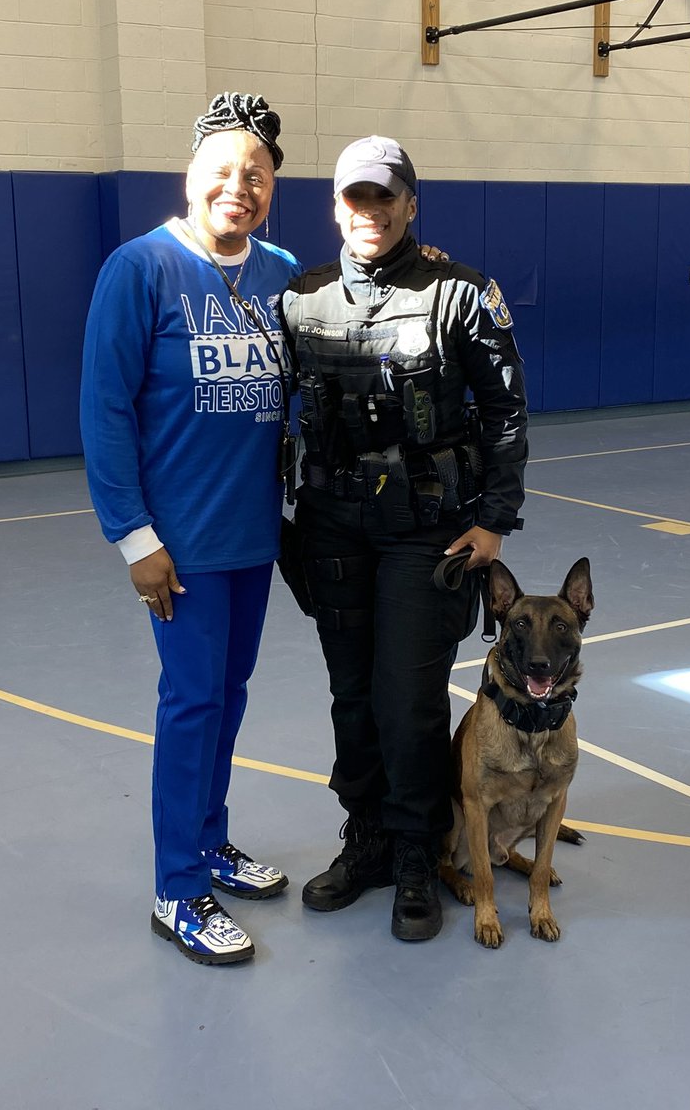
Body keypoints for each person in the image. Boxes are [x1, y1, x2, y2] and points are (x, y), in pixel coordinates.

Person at [280, 136, 529, 942]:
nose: (370, 212)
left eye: (385, 197)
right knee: (352, 697)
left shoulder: (461, 294)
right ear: (336, 207)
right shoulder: (301, 298)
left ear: (411, 203)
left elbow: (505, 412)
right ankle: (370, 840)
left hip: (429, 535)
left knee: (408, 702)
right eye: (355, 198)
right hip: (333, 529)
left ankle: (420, 849)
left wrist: (494, 518)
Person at [80, 92, 300, 966]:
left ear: (272, 188)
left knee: (230, 698)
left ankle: (211, 840)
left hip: (255, 538)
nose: (237, 187)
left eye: (255, 175)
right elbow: (104, 411)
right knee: (192, 703)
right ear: (192, 175)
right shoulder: (138, 269)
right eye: (222, 171)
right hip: (182, 549)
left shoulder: (281, 271)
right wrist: (135, 538)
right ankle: (177, 888)